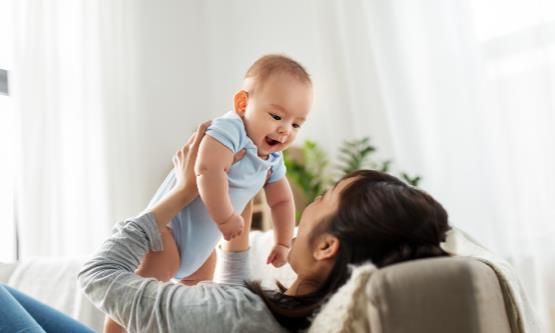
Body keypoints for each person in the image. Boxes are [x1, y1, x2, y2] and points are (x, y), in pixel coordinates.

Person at [0, 122, 450, 332]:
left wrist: (177, 193)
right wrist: (234, 249)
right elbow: (229, 313)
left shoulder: (235, 317)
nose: (305, 205)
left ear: (327, 246)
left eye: (321, 200)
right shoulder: (299, 321)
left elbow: (97, 277)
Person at [104, 54, 313, 332]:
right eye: (276, 116)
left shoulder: (273, 159)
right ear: (242, 103)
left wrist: (284, 241)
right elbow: (206, 171)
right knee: (136, 299)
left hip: (202, 249)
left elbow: (282, 200)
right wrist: (226, 218)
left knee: (200, 300)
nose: (285, 129)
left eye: (296, 124)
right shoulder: (230, 129)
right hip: (170, 233)